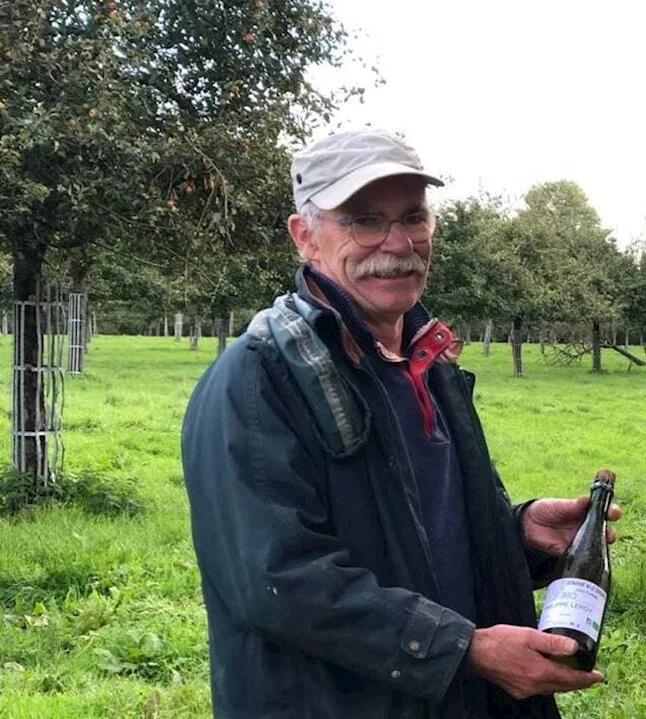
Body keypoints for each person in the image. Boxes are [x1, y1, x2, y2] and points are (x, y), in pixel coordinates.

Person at [180, 127, 621, 718]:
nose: (398, 242)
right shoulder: (260, 378)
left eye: (413, 217)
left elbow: (423, 539)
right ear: (304, 236)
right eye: (364, 220)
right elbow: (279, 581)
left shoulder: (429, 364)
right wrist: (466, 649)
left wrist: (521, 536)